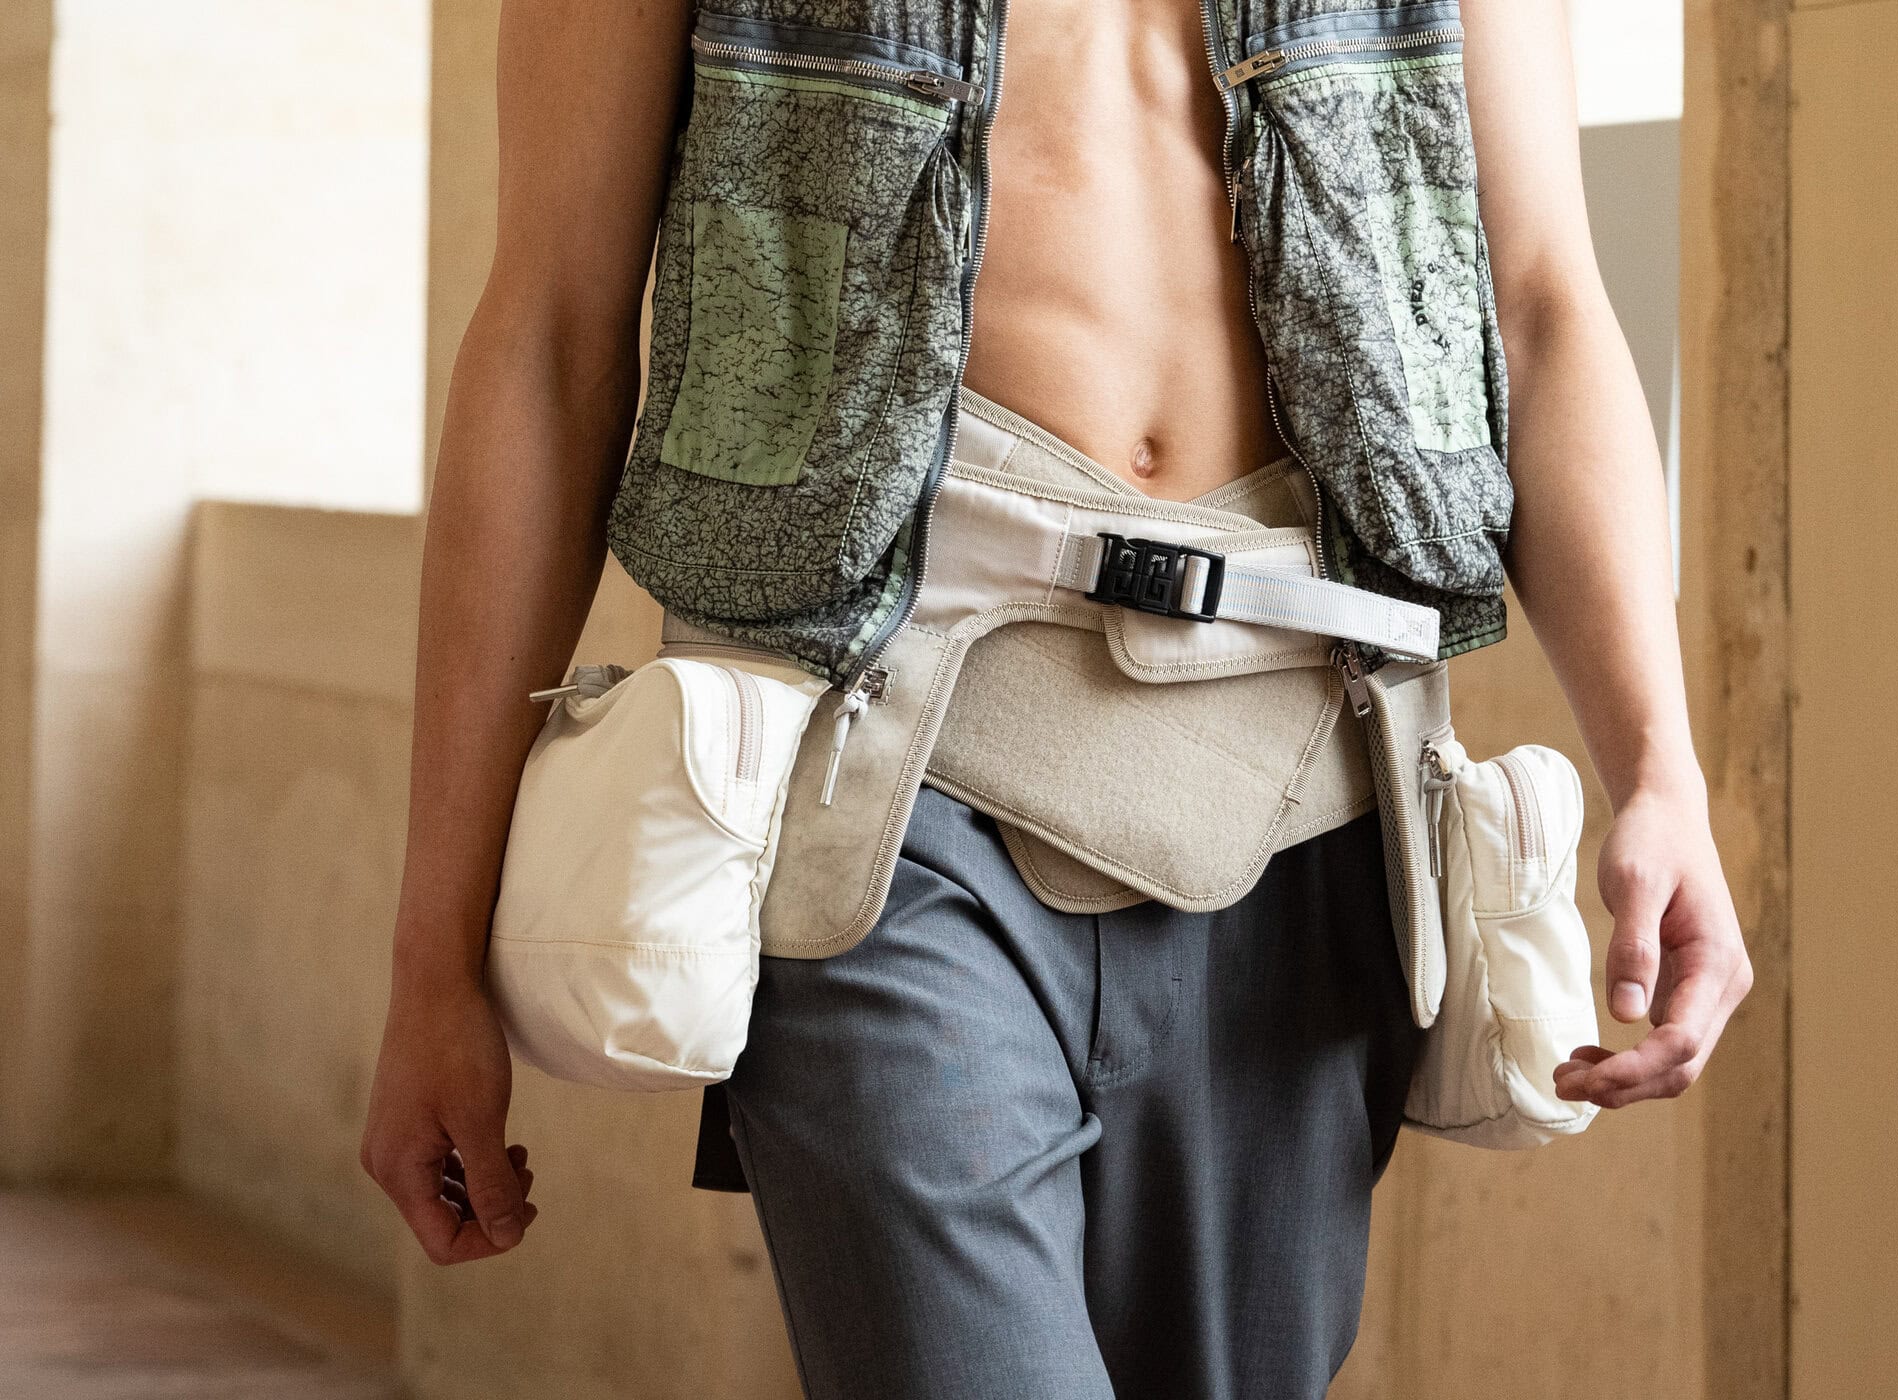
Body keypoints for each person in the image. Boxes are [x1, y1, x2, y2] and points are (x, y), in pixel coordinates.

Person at [361, 0, 1754, 1395]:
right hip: (889, 766)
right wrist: (434, 959)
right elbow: (552, 340)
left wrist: (1659, 772)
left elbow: (1537, 311)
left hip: (1301, 784)